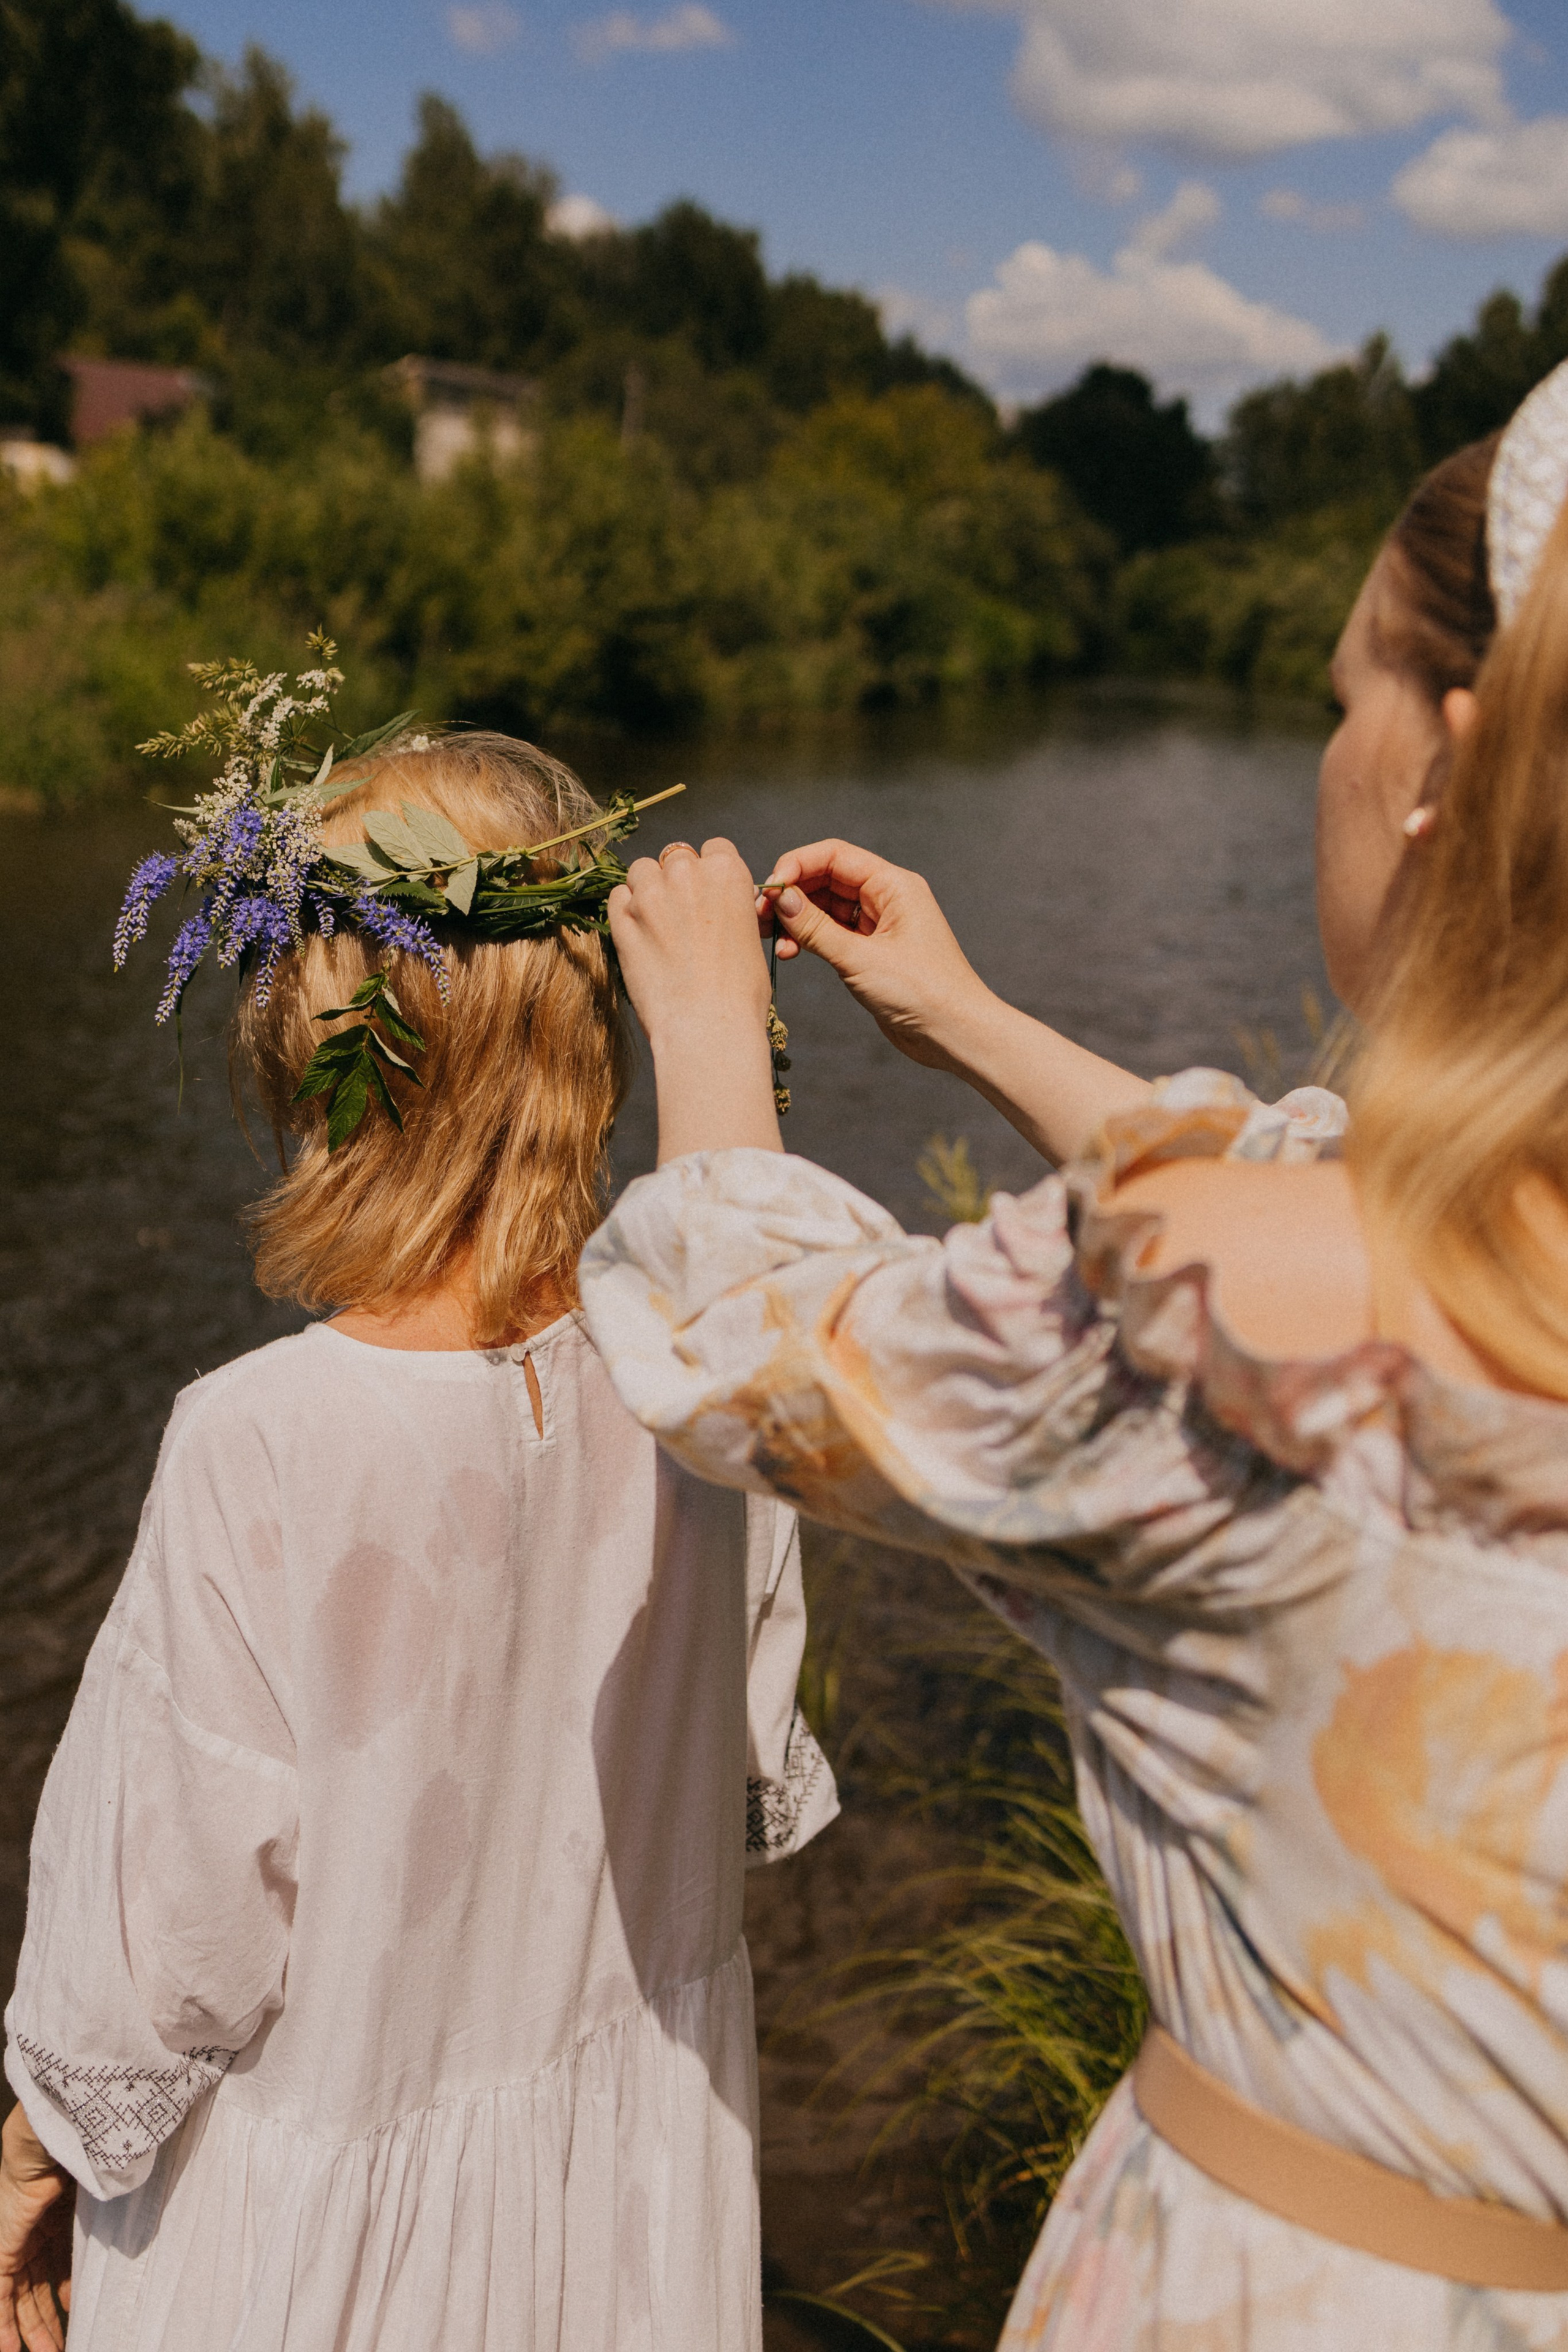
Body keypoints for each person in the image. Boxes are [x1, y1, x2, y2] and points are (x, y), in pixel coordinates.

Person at [578, 360, 1568, 2348]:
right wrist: (964, 1016)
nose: (1329, 744)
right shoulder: (1442, 1237)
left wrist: (697, 1020)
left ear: (1448, 758)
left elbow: (747, 1350)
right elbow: (1315, 1173)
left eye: (1336, 695)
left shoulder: (1219, 1322)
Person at [0, 733, 836, 2352]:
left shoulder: (260, 1438)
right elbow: (743, 1761)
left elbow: (172, 1951)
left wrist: (34, 2154)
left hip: (325, 2258)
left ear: (325, 1041)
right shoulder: (711, 1378)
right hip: (634, 2212)